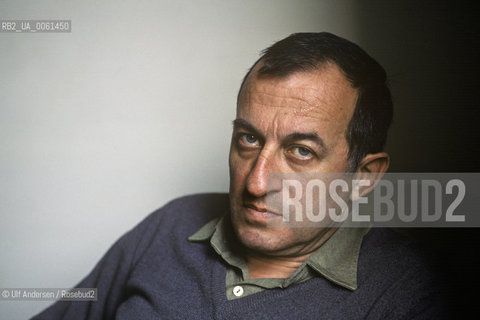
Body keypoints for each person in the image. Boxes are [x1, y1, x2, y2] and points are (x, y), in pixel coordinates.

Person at [32, 32, 445, 319]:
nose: (256, 183)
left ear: (365, 176)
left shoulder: (405, 292)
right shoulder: (172, 224)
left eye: (301, 151)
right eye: (248, 139)